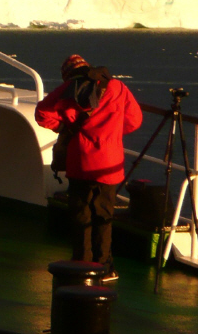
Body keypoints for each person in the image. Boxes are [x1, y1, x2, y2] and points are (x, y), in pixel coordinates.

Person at [35, 54, 142, 280]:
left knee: (81, 214)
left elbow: (42, 114)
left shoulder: (67, 89)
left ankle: (81, 264)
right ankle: (105, 267)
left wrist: (62, 126)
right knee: (104, 215)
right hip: (109, 162)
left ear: (68, 74)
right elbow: (134, 120)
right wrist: (112, 132)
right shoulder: (117, 86)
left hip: (80, 160)